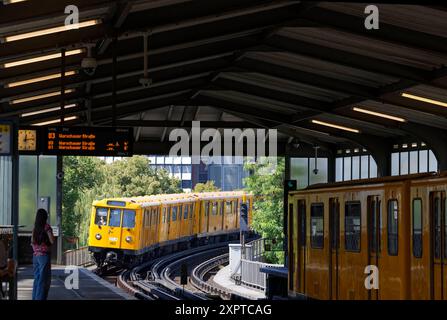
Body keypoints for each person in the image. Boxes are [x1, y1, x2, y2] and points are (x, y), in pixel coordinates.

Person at [31, 209, 55, 300]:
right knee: (43, 280)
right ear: (45, 217)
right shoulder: (46, 227)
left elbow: (32, 241)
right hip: (44, 256)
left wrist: (37, 249)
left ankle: (35, 298)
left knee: (37, 279)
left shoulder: (35, 228)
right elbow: (52, 240)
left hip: (35, 256)